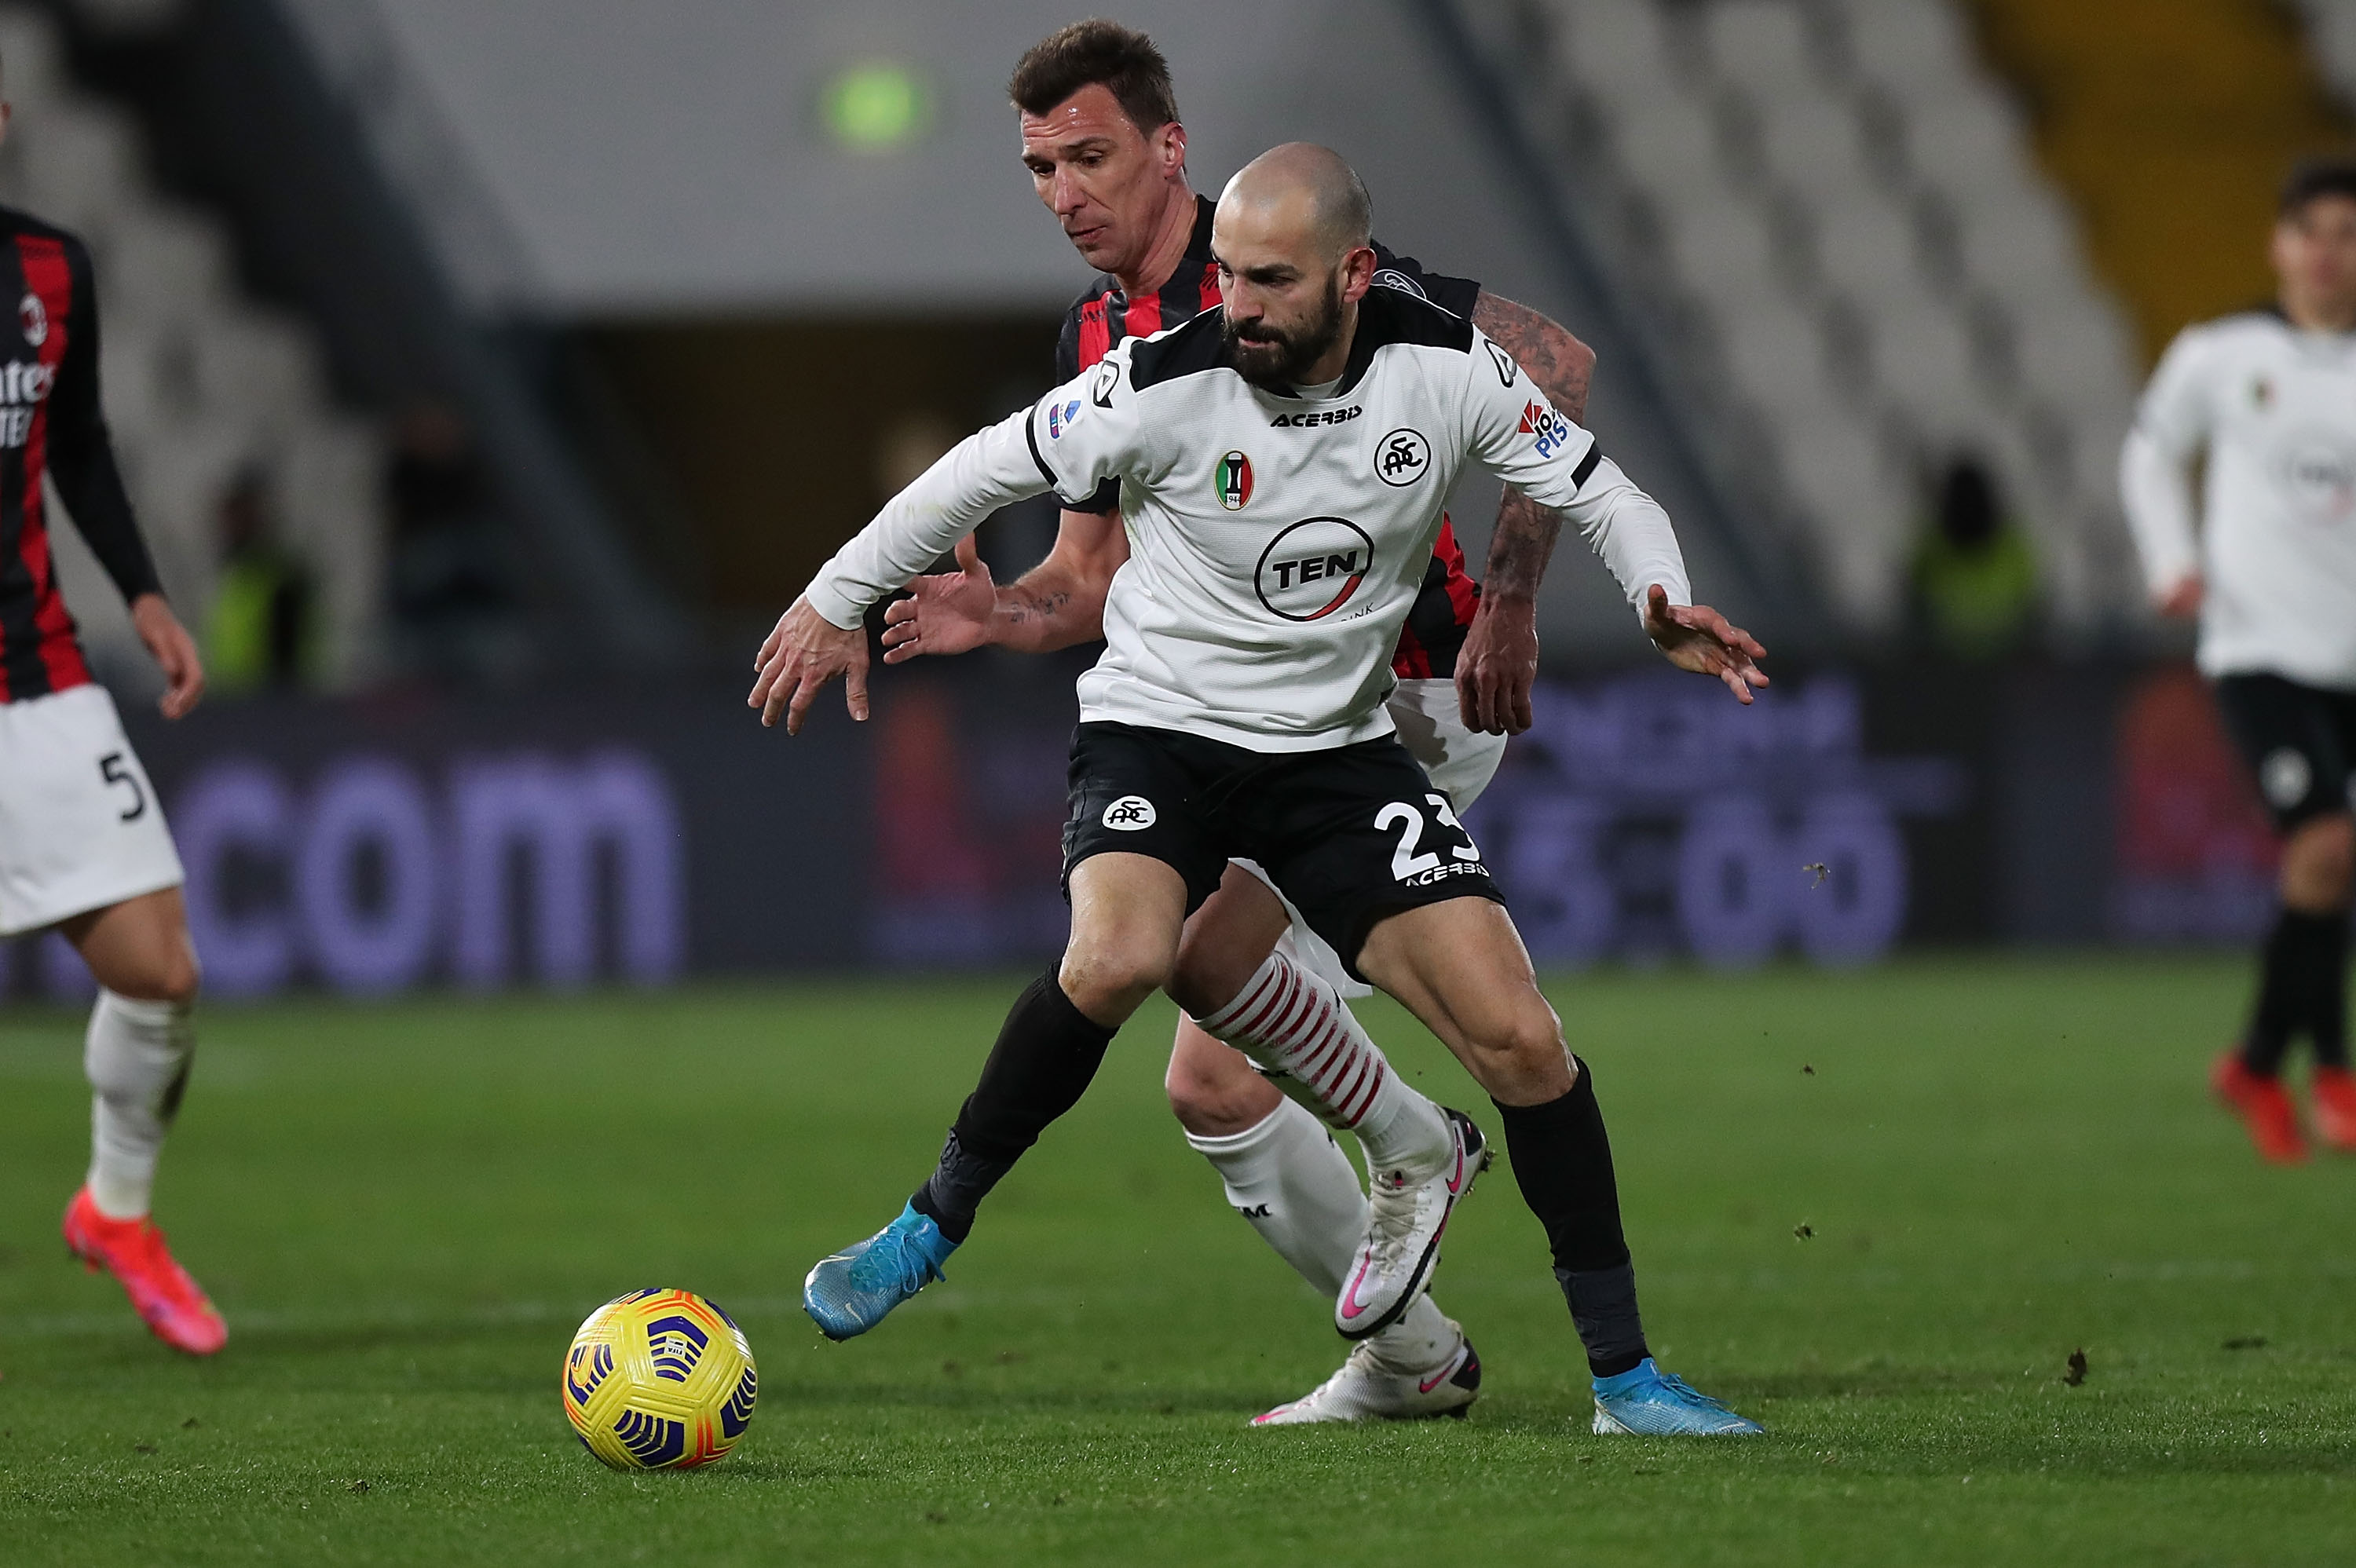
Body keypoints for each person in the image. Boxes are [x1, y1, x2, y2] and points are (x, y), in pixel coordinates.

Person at [756, 144, 1769, 1435]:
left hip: (1334, 755)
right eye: (1228, 272)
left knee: (1523, 1041)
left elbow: (1597, 488)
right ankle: (927, 1224)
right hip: (1158, 735)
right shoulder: (1162, 381)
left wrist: (1658, 597)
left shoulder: (1445, 366)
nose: (1238, 303)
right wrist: (832, 599)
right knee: (1120, 956)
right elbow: (977, 469)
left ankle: (1623, 1378)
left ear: (1353, 274)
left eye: (1273, 279)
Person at [863, 19, 1601, 1426]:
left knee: (1207, 1011)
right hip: (1252, 729)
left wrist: (1511, 599)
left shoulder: (1282, 258)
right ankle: (1412, 1347)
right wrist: (998, 612)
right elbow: (1085, 582)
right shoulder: (1095, 338)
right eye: (1040, 169)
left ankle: (1426, 1232)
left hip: (1400, 700)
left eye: (1089, 157)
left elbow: (1553, 362)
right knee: (1210, 1083)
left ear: (1169, 148)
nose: (1064, 193)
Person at [0, 75, 221, 1353]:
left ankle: (117, 1211)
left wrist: (142, 591)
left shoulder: (50, 269)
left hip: (34, 675)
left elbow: (75, 444)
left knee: (159, 971)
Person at [2121, 157, 2356, 1163]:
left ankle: (2262, 1063)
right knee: (2326, 847)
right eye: (2311, 232)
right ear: (2279, 244)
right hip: (2259, 647)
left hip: (2349, 654)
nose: (2327, 253)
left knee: (2326, 866)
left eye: (2346, 234)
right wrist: (2172, 560)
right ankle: (2332, 1071)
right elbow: (2149, 450)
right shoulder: (2222, 353)